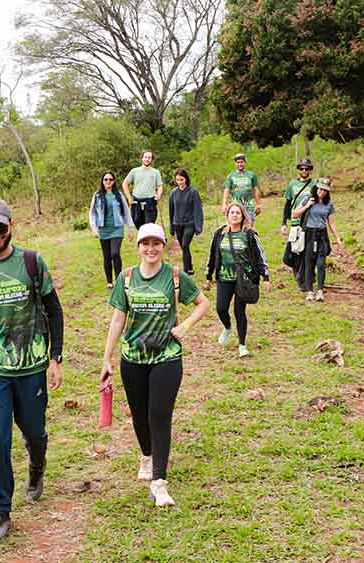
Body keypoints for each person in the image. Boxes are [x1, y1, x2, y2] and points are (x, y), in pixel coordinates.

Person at [0, 198, 65, 542]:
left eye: (1, 227)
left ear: (11, 226)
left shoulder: (32, 262)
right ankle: (1, 511)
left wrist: (55, 358)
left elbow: (55, 310)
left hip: (31, 364)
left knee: (34, 431)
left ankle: (37, 465)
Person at [100, 223, 210, 507]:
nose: (151, 249)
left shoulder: (175, 276)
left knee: (159, 415)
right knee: (139, 415)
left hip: (166, 357)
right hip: (133, 358)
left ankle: (159, 482)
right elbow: (117, 319)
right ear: (138, 247)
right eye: (145, 244)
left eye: (156, 244)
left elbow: (203, 303)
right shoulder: (126, 278)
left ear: (163, 246)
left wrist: (185, 325)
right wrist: (106, 358)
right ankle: (146, 455)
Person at [204, 203, 270, 358]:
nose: (234, 215)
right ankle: (227, 328)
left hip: (243, 279)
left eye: (238, 213)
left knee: (239, 311)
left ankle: (242, 345)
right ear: (227, 215)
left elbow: (260, 256)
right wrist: (208, 276)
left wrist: (265, 276)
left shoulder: (249, 234)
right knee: (221, 308)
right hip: (224, 277)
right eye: (232, 212)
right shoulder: (219, 234)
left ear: (243, 216)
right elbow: (212, 255)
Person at [291, 178, 343, 301]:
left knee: (321, 264)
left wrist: (337, 238)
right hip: (309, 234)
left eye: (325, 190)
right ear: (316, 188)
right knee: (309, 263)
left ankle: (320, 290)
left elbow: (331, 223)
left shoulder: (328, 204)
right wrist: (307, 205)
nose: (322, 192)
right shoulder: (308, 199)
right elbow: (295, 213)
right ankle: (309, 291)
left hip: (322, 235)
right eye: (320, 189)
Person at [90, 171, 135, 288]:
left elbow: (126, 211)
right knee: (107, 256)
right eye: (106, 179)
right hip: (103, 229)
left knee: (115, 253)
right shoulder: (97, 195)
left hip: (117, 228)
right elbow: (92, 213)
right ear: (102, 181)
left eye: (110, 179)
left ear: (114, 181)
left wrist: (130, 228)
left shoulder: (118, 195)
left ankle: (119, 279)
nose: (108, 181)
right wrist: (94, 229)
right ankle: (109, 281)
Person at [280, 158, 318, 280]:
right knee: (295, 249)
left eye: (307, 168)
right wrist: (284, 223)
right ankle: (298, 273)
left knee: (309, 250)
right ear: (298, 170)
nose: (304, 170)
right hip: (295, 221)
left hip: (310, 222)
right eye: (302, 168)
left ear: (310, 170)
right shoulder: (292, 184)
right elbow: (287, 204)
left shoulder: (315, 184)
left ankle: (309, 275)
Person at [167, 168, 203, 275]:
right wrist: (171, 228)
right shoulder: (173, 193)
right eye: (177, 180)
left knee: (185, 244)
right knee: (183, 247)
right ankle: (189, 266)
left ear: (186, 179)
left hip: (189, 223)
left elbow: (198, 209)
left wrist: (198, 226)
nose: (179, 182)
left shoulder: (193, 192)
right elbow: (171, 211)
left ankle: (186, 270)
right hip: (177, 223)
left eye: (181, 179)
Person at [122, 150, 164, 228]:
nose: (147, 159)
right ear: (142, 158)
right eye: (145, 157)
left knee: (149, 225)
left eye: (149, 158)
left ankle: (148, 238)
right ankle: (143, 239)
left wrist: (159, 195)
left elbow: (160, 186)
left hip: (150, 202)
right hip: (136, 202)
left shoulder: (156, 172)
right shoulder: (134, 171)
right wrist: (129, 198)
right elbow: (125, 184)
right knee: (137, 222)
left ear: (152, 159)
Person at [222, 153, 261, 224]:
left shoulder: (251, 175)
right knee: (235, 226)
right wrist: (224, 204)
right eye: (238, 162)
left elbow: (256, 189)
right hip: (236, 206)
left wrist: (258, 204)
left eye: (241, 162)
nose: (240, 164)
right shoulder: (231, 176)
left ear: (245, 162)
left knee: (249, 226)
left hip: (249, 206)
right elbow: (226, 190)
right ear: (235, 163)